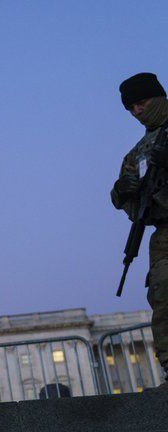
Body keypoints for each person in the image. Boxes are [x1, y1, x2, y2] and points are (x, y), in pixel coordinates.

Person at [111, 72, 168, 390]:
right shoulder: (138, 152)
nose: (137, 112)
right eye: (131, 108)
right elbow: (127, 202)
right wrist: (124, 190)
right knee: (163, 295)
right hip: (164, 230)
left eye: (142, 103)